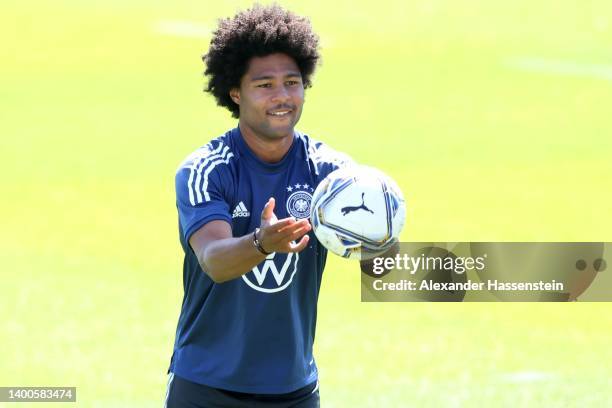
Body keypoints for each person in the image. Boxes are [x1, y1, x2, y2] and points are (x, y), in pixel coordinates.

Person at [165, 4, 357, 407]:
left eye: (292, 82)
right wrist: (262, 242)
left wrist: (378, 238)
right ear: (235, 92)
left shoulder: (331, 173)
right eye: (264, 85)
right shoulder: (205, 169)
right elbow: (215, 261)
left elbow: (375, 258)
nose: (282, 97)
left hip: (294, 390)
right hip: (206, 388)